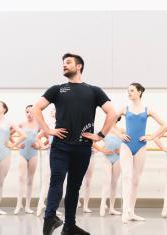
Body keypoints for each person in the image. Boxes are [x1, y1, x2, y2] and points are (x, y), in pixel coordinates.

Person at [32, 53, 116, 235]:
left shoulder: (94, 91)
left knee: (74, 187)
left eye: (68, 62)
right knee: (57, 181)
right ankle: (49, 219)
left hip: (83, 148)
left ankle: (69, 225)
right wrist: (47, 130)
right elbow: (36, 108)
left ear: (79, 66)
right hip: (60, 147)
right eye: (63, 63)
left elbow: (112, 113)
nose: (64, 65)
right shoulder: (57, 89)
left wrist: (100, 135)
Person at [116, 83, 166, 223]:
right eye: (128, 91)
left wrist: (151, 136)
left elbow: (164, 125)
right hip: (126, 145)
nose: (129, 93)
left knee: (136, 180)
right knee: (126, 176)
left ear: (139, 92)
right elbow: (110, 123)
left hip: (141, 146)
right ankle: (125, 211)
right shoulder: (125, 109)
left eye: (131, 90)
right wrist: (118, 134)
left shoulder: (147, 109)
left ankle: (132, 211)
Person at [14, 104, 41, 214]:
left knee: (30, 180)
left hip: (33, 154)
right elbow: (8, 134)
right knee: (21, 178)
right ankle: (18, 205)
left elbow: (43, 138)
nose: (29, 114)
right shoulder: (21, 124)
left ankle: (27, 206)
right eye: (27, 112)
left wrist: (39, 146)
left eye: (31, 112)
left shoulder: (38, 125)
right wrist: (16, 145)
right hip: (22, 154)